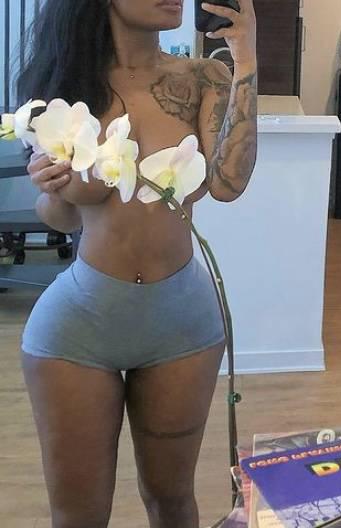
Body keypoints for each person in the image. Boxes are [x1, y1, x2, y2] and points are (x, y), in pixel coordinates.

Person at [15, 1, 257, 526]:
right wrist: (52, 189)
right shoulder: (66, 87)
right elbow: (63, 218)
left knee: (172, 500)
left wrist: (245, 54)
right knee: (78, 515)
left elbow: (227, 185)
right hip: (80, 326)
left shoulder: (205, 78)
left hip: (182, 325)